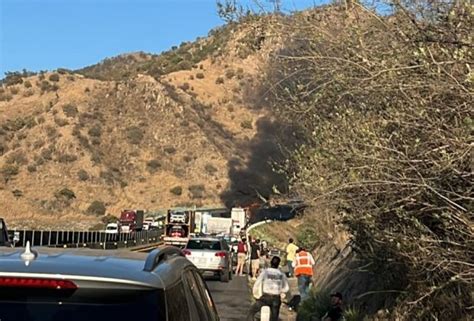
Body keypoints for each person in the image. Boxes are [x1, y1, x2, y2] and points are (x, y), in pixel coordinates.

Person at [247, 256, 289, 321]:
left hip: (265, 297)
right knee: (274, 317)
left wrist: (255, 294)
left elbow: (257, 283)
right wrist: (281, 291)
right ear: (278, 264)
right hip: (276, 298)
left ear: (271, 263)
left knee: (252, 311)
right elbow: (286, 288)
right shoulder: (281, 274)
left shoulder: (265, 272)